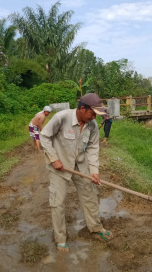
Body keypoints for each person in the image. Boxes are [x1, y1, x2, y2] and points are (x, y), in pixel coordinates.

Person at [40, 93, 113, 252]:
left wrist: (94, 171)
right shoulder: (62, 118)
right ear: (82, 108)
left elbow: (93, 149)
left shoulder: (92, 126)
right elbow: (44, 137)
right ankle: (60, 238)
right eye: (92, 113)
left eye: (96, 115)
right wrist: (54, 158)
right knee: (57, 202)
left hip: (80, 165)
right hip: (60, 166)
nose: (94, 118)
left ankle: (95, 227)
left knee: (90, 196)